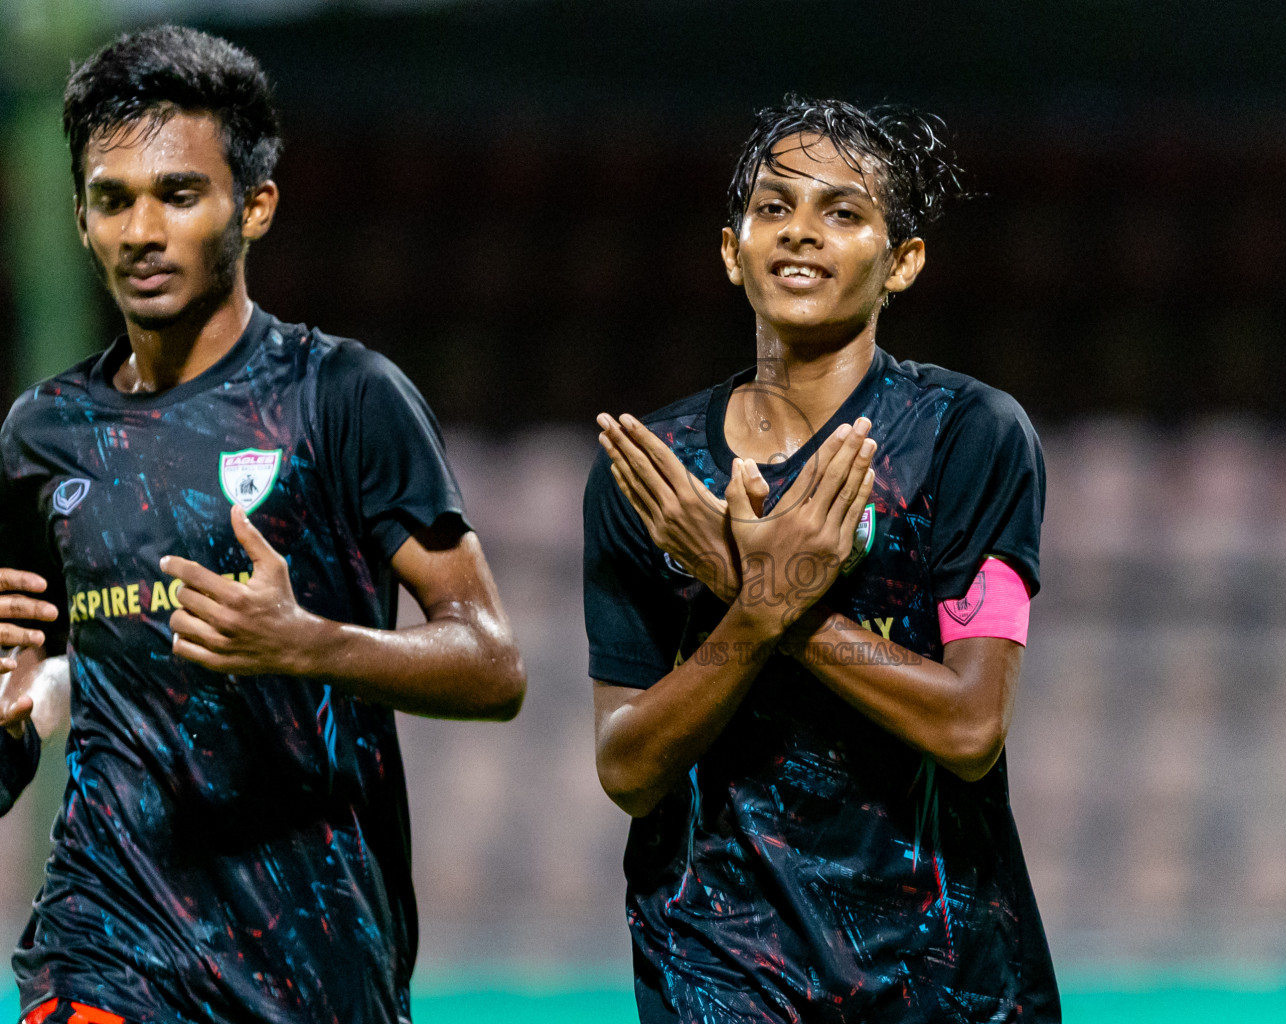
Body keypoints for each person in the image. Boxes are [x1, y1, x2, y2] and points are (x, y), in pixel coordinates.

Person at [0, 26, 526, 1024]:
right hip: (103, 950)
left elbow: (493, 663)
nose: (141, 230)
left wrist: (309, 643)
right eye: (113, 200)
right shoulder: (42, 439)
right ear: (79, 218)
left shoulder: (344, 399)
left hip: (316, 970)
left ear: (256, 205)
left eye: (178, 194)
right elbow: (27, 685)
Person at [585, 97, 1059, 1023]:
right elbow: (628, 769)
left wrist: (753, 596)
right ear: (732, 250)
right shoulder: (652, 476)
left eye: (843, 212)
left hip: (947, 981)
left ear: (903, 262)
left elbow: (970, 729)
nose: (801, 232)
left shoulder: (968, 440)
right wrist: (759, 611)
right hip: (718, 970)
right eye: (773, 208)